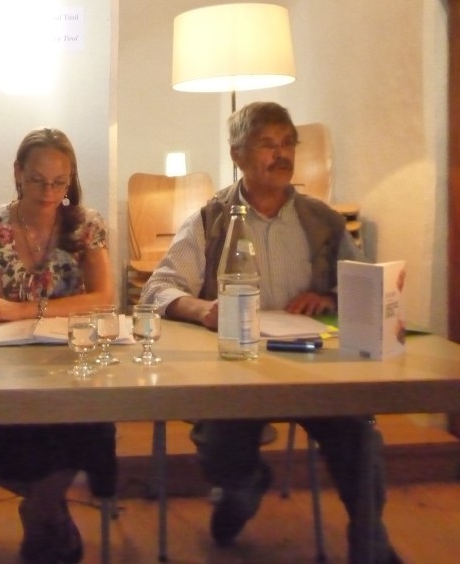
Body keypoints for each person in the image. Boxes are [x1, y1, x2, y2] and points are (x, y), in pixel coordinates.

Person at [140, 102, 400, 564]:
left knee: (359, 435)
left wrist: (330, 296)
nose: (281, 155)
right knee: (220, 441)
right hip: (234, 368)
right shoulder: (211, 218)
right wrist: (203, 310)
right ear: (237, 155)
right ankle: (241, 488)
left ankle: (369, 538)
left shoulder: (322, 219)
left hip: (313, 365)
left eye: (287, 144)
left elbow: (363, 283)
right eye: (267, 145)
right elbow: (157, 289)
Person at [0, 127, 116, 564]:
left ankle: (41, 508)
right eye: (38, 180)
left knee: (87, 420)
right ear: (18, 173)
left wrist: (23, 309)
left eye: (60, 182)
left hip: (68, 361)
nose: (49, 193)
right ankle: (47, 508)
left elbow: (103, 298)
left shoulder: (85, 224)